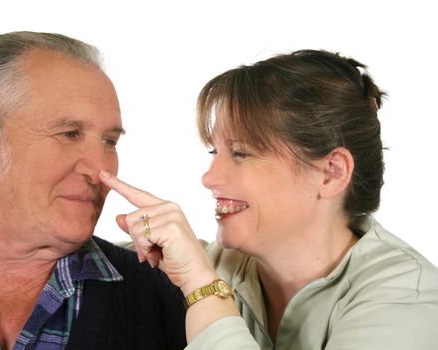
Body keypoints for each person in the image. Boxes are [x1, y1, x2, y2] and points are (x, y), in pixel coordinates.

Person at [102, 50, 438, 349]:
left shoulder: (409, 295)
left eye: (240, 153)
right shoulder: (196, 262)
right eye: (213, 151)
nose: (209, 178)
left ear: (331, 173)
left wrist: (202, 286)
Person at [0, 31, 187, 350]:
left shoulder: (167, 294)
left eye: (110, 141)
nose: (101, 169)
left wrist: (202, 290)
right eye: (69, 134)